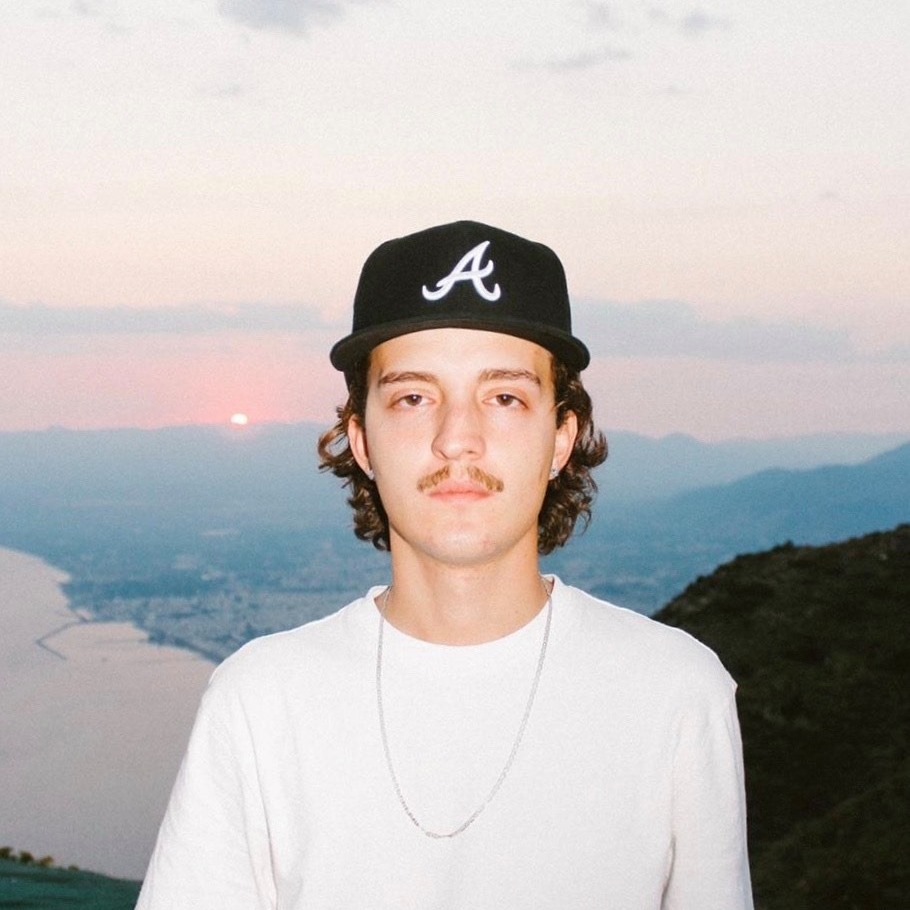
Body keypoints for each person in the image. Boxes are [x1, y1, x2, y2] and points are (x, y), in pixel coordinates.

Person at [136, 220, 753, 909]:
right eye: (414, 397)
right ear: (362, 441)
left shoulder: (676, 692)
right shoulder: (259, 700)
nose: (457, 438)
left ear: (560, 438)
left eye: (504, 397)